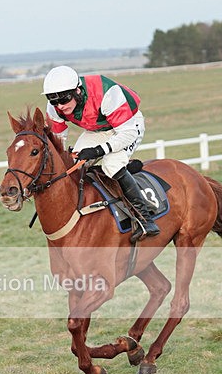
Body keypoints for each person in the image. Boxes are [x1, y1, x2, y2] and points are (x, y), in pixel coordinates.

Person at [42, 65, 160, 242]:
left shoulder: (106, 93)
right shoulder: (56, 107)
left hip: (127, 127)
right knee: (74, 166)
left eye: (64, 100)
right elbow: (57, 140)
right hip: (97, 131)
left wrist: (98, 151)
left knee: (111, 164)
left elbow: (127, 133)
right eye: (54, 101)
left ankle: (145, 217)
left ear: (77, 91)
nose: (60, 106)